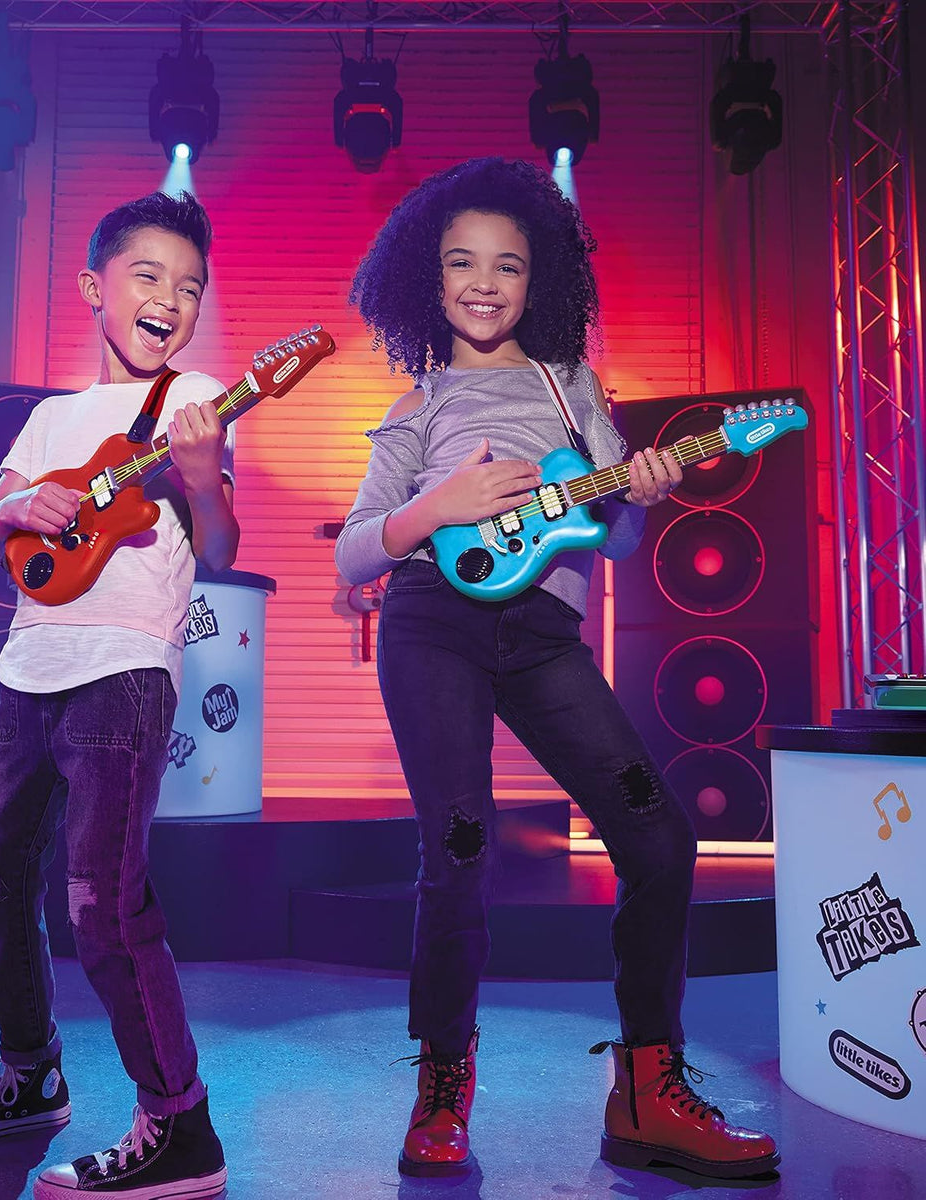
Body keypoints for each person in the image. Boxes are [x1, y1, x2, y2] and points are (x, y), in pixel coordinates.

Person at [335, 157, 779, 1182]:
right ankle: (443, 1080)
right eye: (462, 264)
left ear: (540, 285)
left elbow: (612, 545)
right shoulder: (417, 407)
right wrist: (434, 508)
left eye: (508, 266)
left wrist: (644, 496)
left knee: (661, 838)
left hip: (542, 639)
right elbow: (359, 549)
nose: (485, 283)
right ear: (429, 280)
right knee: (457, 845)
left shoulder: (569, 389)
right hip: (431, 627)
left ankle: (647, 1088)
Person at [0, 190, 234, 1200]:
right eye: (148, 277)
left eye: (188, 287)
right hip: (25, 667)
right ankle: (27, 1073)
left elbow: (219, 551)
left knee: (100, 901)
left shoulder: (197, 400)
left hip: (125, 673)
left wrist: (205, 473)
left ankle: (181, 1127)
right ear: (96, 288)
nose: (169, 300)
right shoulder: (53, 417)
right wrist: (17, 502)